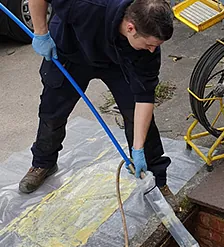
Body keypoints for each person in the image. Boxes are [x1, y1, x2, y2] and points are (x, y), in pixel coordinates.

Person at [19, 0, 178, 209]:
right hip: (71, 50)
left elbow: (144, 98)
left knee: (136, 118)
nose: (151, 51)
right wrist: (41, 32)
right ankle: (43, 163)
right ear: (131, 28)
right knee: (52, 112)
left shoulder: (146, 50)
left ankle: (155, 180)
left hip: (118, 61)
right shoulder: (86, 4)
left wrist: (138, 148)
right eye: (149, 44)